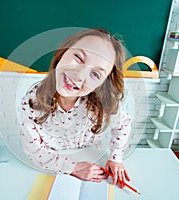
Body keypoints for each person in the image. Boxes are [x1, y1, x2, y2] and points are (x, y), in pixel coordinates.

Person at [19, 28, 131, 185]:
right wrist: (73, 168)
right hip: (53, 164)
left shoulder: (103, 101)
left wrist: (116, 158)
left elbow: (123, 124)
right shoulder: (32, 101)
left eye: (96, 74)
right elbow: (34, 151)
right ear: (62, 53)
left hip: (90, 158)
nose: (79, 75)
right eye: (78, 57)